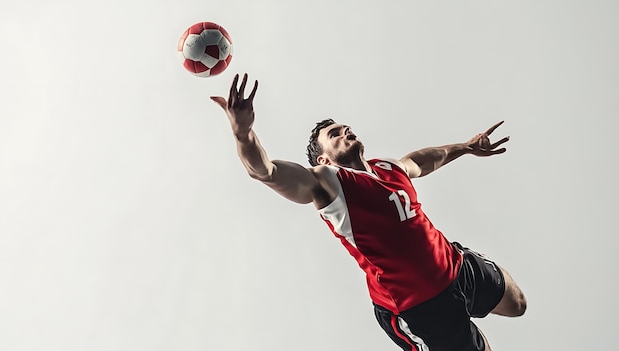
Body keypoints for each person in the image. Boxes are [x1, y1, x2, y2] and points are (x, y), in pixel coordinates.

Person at [210, 73, 527, 351]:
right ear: (323, 160)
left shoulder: (389, 167)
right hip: (419, 307)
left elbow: (426, 159)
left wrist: (466, 147)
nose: (344, 130)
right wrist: (243, 133)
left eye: (344, 127)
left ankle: (469, 318)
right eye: (334, 134)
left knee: (517, 305)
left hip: (455, 265)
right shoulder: (327, 183)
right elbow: (265, 171)